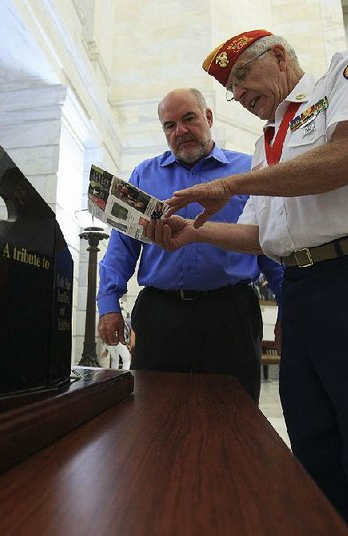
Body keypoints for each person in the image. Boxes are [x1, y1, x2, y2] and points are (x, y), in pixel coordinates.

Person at [146, 31, 348, 535]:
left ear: (277, 56)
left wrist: (229, 184)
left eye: (242, 79)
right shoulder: (265, 143)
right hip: (305, 288)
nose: (240, 96)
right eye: (231, 89)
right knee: (318, 442)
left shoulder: (344, 76)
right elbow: (260, 233)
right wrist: (193, 234)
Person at [97, 87, 283, 404]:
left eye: (189, 119)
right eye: (170, 125)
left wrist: (287, 308)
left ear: (209, 117)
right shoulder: (144, 174)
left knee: (234, 413)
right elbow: (122, 246)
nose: (180, 131)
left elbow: (270, 243)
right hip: (160, 315)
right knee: (152, 411)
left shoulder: (246, 171)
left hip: (231, 314)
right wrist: (108, 303)